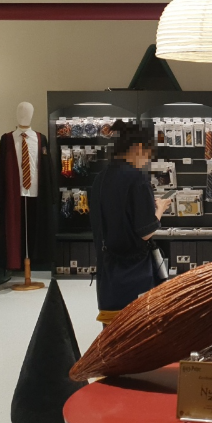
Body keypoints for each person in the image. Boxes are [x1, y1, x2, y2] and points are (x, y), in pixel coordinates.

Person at [90, 121, 171, 326]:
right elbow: (146, 231)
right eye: (148, 155)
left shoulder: (100, 178)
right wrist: (160, 208)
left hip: (107, 274)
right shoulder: (137, 179)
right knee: (139, 332)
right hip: (135, 273)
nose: (147, 161)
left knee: (112, 333)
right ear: (139, 148)